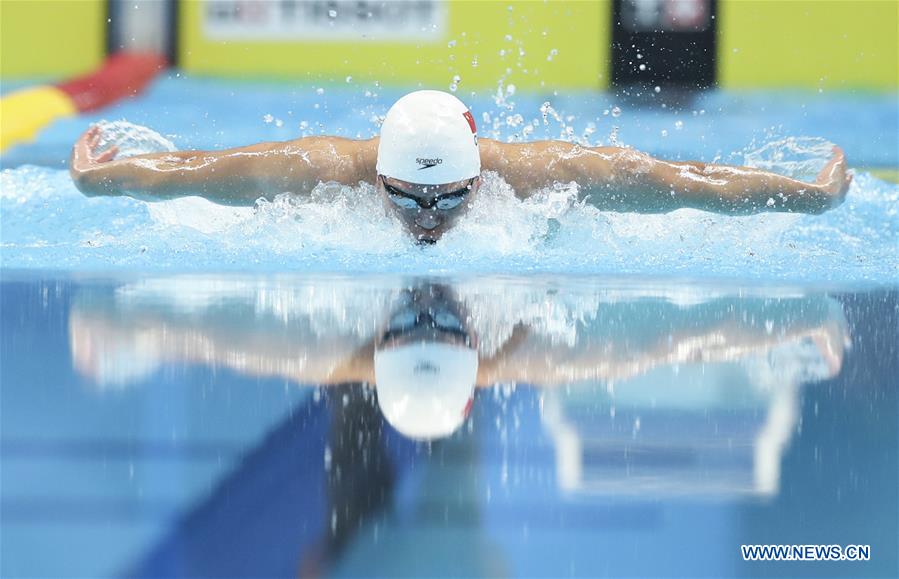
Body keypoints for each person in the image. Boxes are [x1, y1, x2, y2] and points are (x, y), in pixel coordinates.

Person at [70, 90, 852, 244]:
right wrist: (95, 177)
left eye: (448, 202)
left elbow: (687, 183)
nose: (428, 224)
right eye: (409, 203)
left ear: (481, 178)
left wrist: (803, 201)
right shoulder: (319, 168)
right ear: (375, 175)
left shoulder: (542, 173)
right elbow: (194, 169)